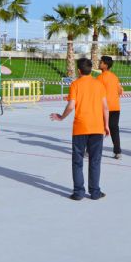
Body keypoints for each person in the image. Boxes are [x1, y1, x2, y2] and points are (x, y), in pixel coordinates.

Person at [50, 58, 110, 201]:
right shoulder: (99, 84)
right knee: (95, 161)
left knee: (78, 161)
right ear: (91, 70)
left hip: (80, 128)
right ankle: (95, 192)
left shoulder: (75, 84)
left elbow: (71, 105)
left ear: (79, 71)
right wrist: (106, 125)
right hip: (97, 127)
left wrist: (61, 117)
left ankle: (78, 192)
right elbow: (105, 107)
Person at [97, 55, 124, 159]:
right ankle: (118, 152)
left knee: (97, 129)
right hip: (115, 107)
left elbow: (96, 93)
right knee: (114, 129)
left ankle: (90, 150)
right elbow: (120, 91)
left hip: (104, 108)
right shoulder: (114, 77)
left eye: (101, 62)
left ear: (105, 65)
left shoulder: (100, 78)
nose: (99, 63)